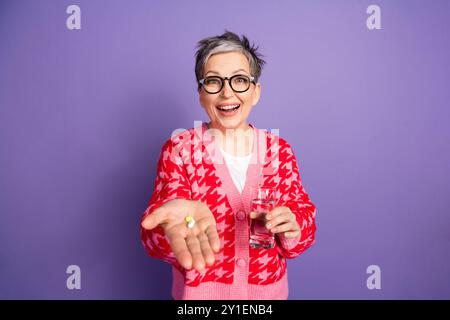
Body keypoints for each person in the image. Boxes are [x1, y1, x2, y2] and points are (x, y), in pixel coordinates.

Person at [140, 31, 316, 300]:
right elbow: (155, 237)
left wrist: (294, 225)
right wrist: (169, 232)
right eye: (213, 81)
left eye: (240, 80)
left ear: (256, 92)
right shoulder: (180, 150)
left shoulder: (279, 152)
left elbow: (301, 230)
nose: (227, 92)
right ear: (201, 94)